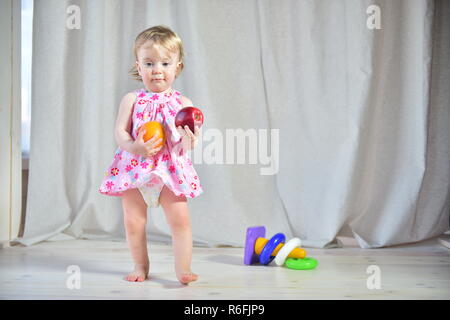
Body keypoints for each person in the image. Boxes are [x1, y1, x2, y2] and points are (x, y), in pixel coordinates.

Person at [99, 25, 203, 285]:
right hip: (136, 168)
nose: (157, 69)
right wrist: (135, 147)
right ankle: (140, 265)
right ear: (139, 66)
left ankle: (183, 269)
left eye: (165, 63)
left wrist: (191, 140)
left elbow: (185, 145)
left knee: (180, 221)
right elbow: (120, 132)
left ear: (177, 66)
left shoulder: (184, 104)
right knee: (134, 222)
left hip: (169, 170)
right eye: (149, 63)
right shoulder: (132, 99)